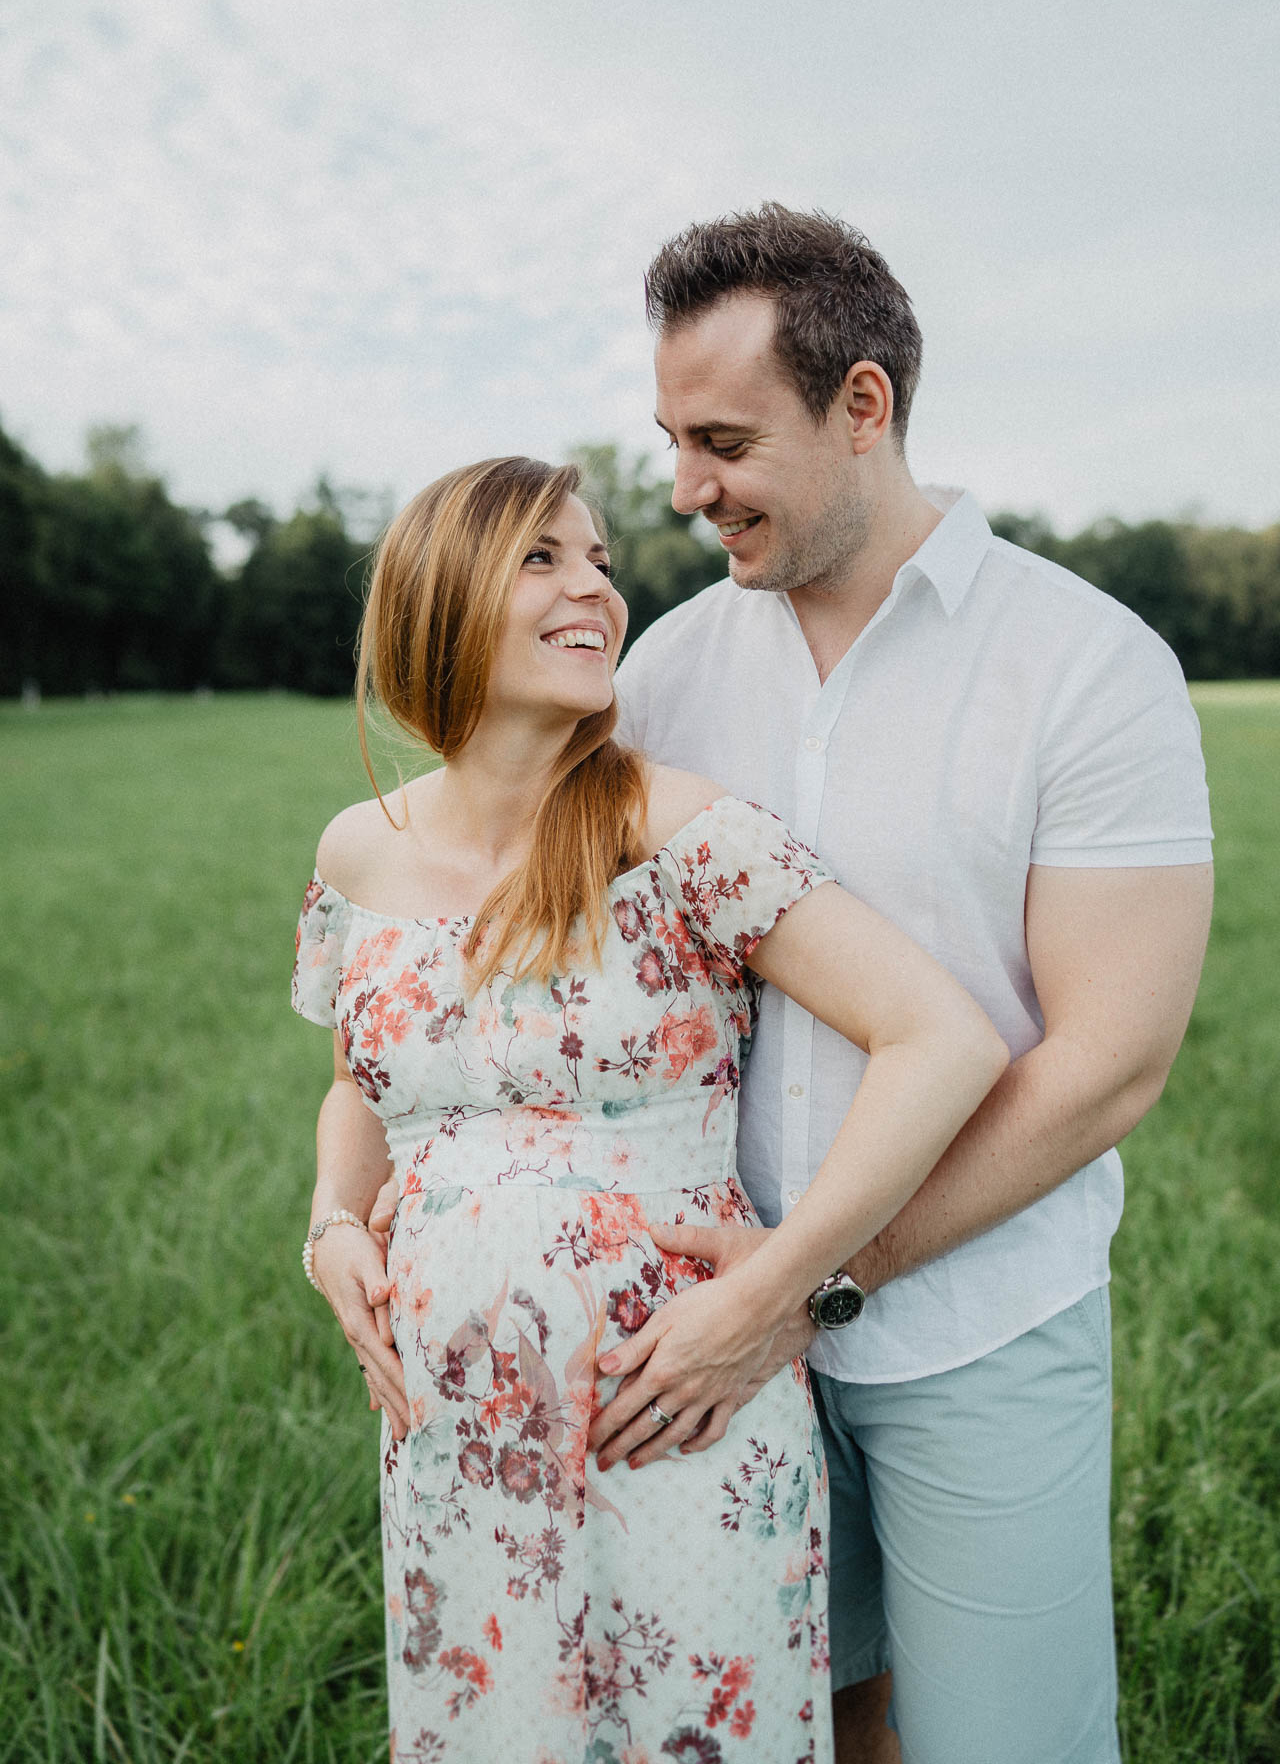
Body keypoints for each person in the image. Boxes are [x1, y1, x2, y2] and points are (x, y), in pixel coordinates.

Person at [589, 204, 1215, 1764]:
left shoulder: (1088, 665)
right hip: (709, 1328)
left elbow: (1111, 1065)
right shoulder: (661, 672)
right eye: (671, 439)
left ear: (863, 407)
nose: (683, 491)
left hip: (979, 1330)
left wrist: (806, 1288)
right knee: (805, 1726)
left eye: (724, 440)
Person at [291, 455, 1009, 1762]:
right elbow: (360, 1077)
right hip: (458, 1444)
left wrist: (785, 1284)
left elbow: (939, 1039)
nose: (597, 591)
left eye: (603, 561)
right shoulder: (357, 852)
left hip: (680, 1412)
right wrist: (335, 1224)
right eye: (545, 559)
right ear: (439, 597)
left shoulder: (676, 832)